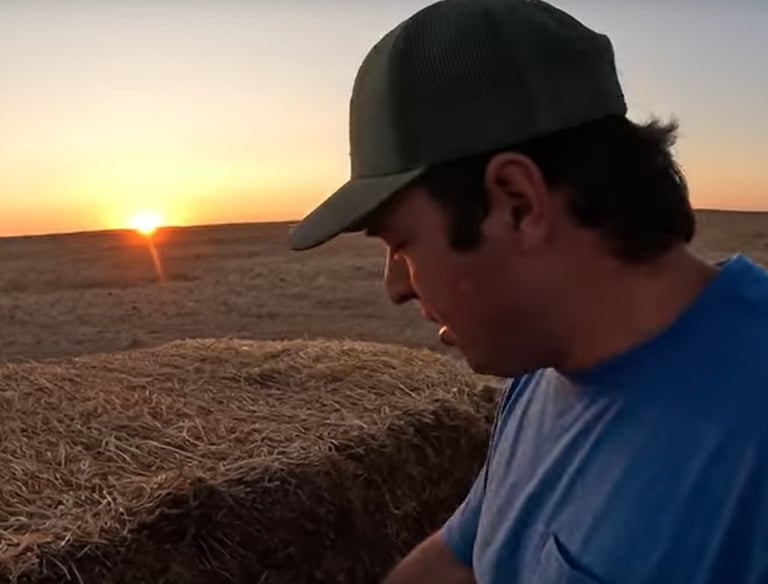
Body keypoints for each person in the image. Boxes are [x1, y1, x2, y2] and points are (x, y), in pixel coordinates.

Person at [288, 0, 768, 582]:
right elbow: (460, 558)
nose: (396, 287)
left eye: (402, 243)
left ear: (516, 201)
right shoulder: (540, 375)